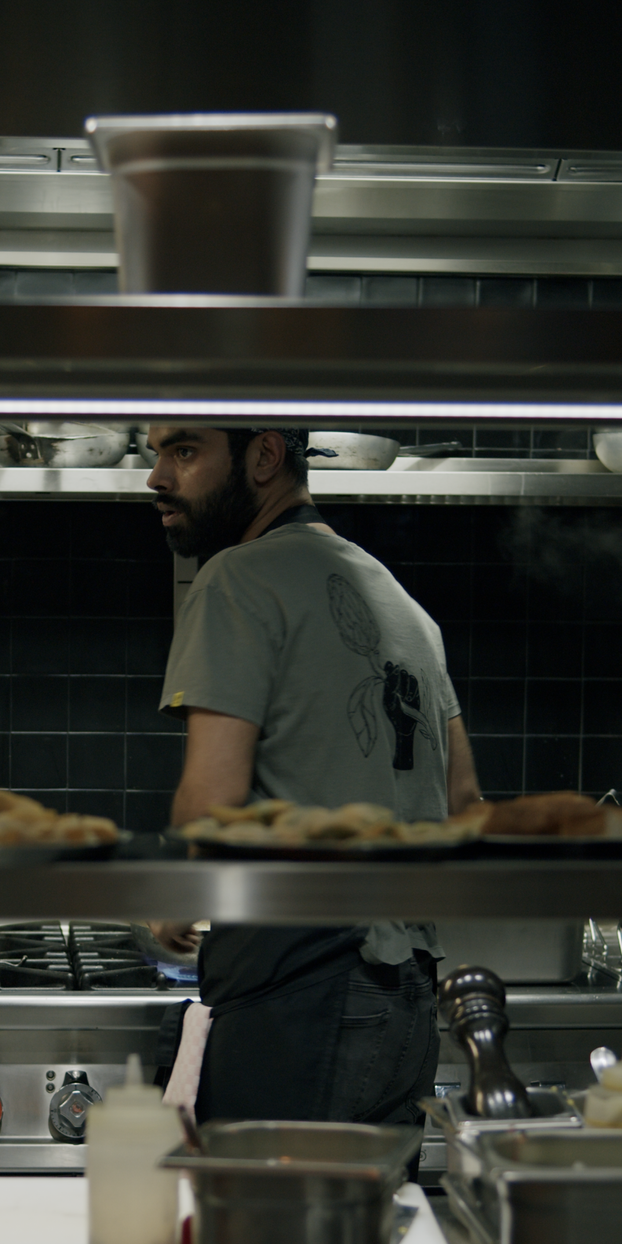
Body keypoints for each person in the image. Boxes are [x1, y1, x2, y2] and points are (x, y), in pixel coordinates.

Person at [145, 421, 482, 1125]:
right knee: (357, 1232)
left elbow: (212, 800)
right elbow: (465, 801)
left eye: (184, 451)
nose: (158, 477)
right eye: (157, 454)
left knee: (265, 1232)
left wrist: (173, 899)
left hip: (300, 1002)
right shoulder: (404, 605)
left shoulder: (235, 577)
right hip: (409, 1005)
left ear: (265, 455)